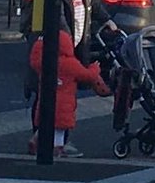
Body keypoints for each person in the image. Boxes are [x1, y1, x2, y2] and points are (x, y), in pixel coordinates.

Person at [27, 28, 110, 158]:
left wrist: (40, 43)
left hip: (45, 101)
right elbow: (87, 75)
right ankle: (57, 149)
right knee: (60, 128)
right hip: (64, 104)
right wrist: (95, 68)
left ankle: (35, 140)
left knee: (44, 125)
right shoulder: (70, 63)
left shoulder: (45, 61)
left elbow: (35, 59)